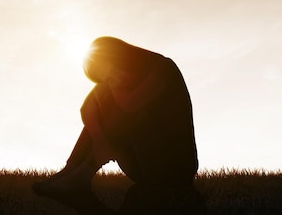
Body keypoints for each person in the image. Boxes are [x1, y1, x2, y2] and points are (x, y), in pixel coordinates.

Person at [33, 36, 199, 201]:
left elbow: (131, 105)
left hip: (176, 167)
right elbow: (87, 109)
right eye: (107, 78)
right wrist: (99, 138)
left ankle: (85, 172)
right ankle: (70, 170)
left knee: (121, 107)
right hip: (141, 169)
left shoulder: (163, 68)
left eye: (112, 73)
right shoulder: (114, 78)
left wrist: (115, 86)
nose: (113, 80)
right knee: (100, 109)